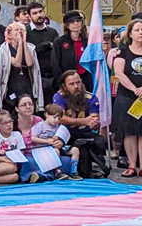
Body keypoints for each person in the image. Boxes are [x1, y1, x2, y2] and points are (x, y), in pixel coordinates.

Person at [53, 70, 108, 178]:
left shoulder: (91, 98)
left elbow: (94, 119)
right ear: (64, 86)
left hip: (84, 134)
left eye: (78, 82)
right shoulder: (59, 97)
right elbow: (60, 118)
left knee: (99, 141)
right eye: (72, 84)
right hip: (66, 134)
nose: (76, 86)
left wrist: (94, 124)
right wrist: (83, 121)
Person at [112, 19, 142, 177]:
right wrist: (135, 89)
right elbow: (119, 73)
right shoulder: (123, 51)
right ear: (130, 33)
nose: (141, 33)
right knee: (129, 132)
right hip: (127, 97)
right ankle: (131, 166)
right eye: (137, 30)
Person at [0, 22, 43, 117]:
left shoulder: (30, 48)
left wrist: (23, 42)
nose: (19, 32)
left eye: (22, 30)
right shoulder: (4, 50)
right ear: (9, 34)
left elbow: (29, 63)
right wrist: (20, 44)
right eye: (16, 30)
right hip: (11, 85)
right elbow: (17, 63)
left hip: (26, 84)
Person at [31, 103, 81, 180]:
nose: (56, 120)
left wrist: (61, 141)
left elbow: (63, 138)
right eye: (54, 117)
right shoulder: (40, 125)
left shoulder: (58, 127)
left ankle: (73, 172)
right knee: (56, 151)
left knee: (75, 150)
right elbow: (33, 138)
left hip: (57, 146)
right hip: (43, 148)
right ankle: (57, 172)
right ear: (47, 115)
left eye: (58, 118)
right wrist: (47, 141)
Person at [25, 2, 59, 101]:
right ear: (30, 16)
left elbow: (56, 53)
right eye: (35, 13)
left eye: (40, 12)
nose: (39, 15)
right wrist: (42, 47)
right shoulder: (25, 32)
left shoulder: (52, 32)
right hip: (33, 77)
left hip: (51, 77)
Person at [51, 11, 91, 91]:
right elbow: (55, 64)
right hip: (67, 81)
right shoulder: (59, 42)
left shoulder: (87, 41)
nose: (76, 23)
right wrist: (61, 83)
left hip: (85, 80)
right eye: (72, 22)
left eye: (78, 21)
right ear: (67, 25)